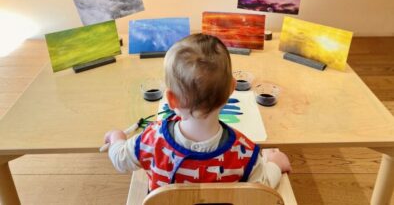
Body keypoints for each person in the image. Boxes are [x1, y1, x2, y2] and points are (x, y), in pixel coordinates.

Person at [104, 33, 291, 191]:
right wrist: (274, 163)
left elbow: (121, 159)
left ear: (171, 99)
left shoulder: (151, 139)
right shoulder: (244, 152)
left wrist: (116, 137)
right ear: (232, 88)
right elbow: (262, 186)